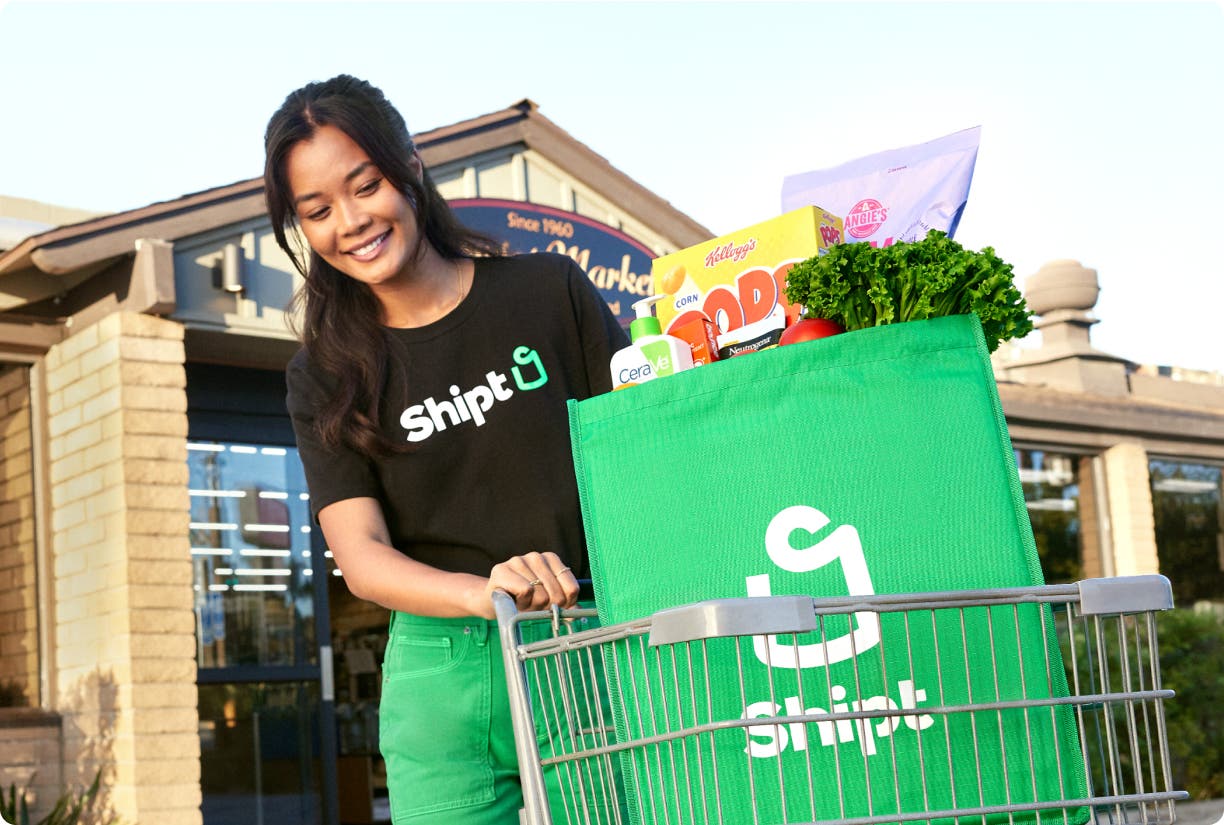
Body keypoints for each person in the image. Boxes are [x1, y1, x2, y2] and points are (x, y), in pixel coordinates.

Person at [263, 74, 629, 823]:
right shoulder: (323, 374)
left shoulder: (546, 292)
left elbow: (638, 457)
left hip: (585, 641)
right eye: (318, 210)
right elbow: (361, 556)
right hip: (443, 671)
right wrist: (484, 592)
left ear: (409, 169)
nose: (351, 221)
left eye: (364, 186)